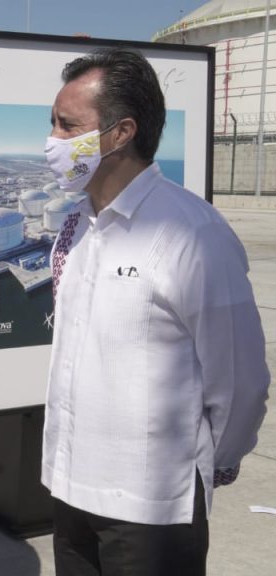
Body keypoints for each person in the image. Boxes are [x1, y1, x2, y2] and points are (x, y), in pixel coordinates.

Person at [43, 47, 270, 576]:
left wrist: (213, 464)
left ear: (121, 133)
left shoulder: (192, 232)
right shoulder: (76, 225)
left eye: (67, 126)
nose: (52, 140)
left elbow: (239, 380)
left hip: (151, 505)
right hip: (70, 485)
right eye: (52, 123)